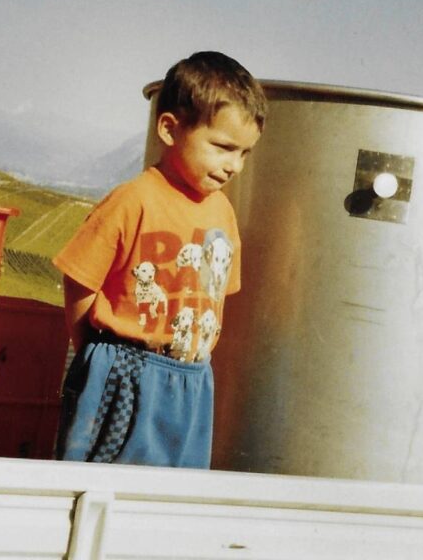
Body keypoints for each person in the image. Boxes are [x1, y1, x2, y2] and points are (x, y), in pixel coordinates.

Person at [51, 51, 266, 468]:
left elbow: (217, 295)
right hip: (126, 373)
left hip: (193, 380)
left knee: (174, 494)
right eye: (223, 148)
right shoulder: (134, 200)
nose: (234, 166)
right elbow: (79, 281)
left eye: (244, 153)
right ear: (169, 128)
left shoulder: (222, 213)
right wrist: (94, 356)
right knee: (108, 486)